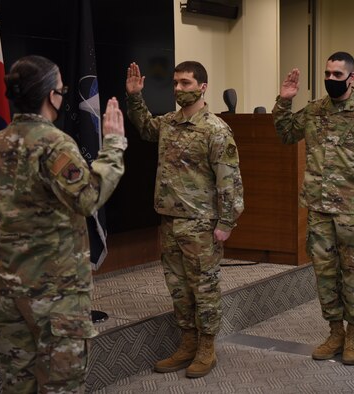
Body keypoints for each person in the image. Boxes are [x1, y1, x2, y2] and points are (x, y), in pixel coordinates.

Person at [0, 55, 127, 393]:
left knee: (18, 384)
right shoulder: (54, 144)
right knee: (61, 386)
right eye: (62, 87)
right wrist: (113, 147)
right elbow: (87, 198)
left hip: (8, 293)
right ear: (53, 95)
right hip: (57, 298)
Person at [272, 51, 354, 365]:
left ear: (352, 78)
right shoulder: (315, 110)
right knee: (325, 274)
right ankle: (334, 332)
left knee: (352, 274)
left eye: (337, 75)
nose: (330, 80)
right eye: (327, 74)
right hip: (318, 208)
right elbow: (286, 133)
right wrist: (284, 100)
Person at [125, 61, 244, 378]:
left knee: (204, 288)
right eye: (176, 83)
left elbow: (230, 181)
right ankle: (187, 343)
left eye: (186, 83)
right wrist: (135, 96)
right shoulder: (169, 123)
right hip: (169, 221)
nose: (179, 89)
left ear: (202, 87)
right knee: (178, 288)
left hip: (200, 224)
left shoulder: (215, 130)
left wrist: (226, 223)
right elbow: (144, 127)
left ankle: (207, 347)